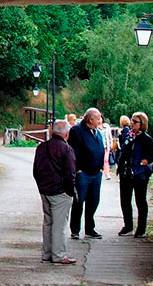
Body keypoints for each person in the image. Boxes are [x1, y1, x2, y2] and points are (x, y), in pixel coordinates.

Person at [33, 118, 77, 265]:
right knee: (59, 225)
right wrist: (70, 191)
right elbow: (70, 173)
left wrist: (41, 187)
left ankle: (46, 253)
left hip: (45, 190)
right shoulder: (66, 149)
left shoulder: (42, 147)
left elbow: (36, 170)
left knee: (48, 223)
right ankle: (59, 254)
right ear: (66, 134)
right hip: (60, 192)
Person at [117, 111, 153, 237]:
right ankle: (128, 226)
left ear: (142, 124)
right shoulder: (128, 136)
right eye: (131, 120)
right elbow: (123, 152)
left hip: (139, 173)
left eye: (135, 121)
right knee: (125, 200)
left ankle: (141, 229)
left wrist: (145, 162)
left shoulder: (146, 139)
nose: (132, 123)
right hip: (126, 172)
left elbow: (152, 156)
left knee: (140, 201)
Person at [68, 108, 106, 240]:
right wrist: (77, 169)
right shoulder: (77, 130)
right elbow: (72, 151)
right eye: (98, 118)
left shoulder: (97, 132)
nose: (100, 121)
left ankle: (90, 228)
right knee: (79, 202)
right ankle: (75, 230)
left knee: (94, 201)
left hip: (96, 172)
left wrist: (101, 167)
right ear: (90, 120)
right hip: (83, 173)